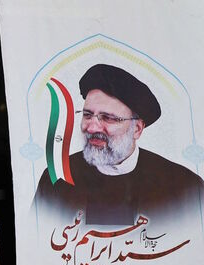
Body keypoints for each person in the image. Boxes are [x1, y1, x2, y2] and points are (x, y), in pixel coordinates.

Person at [33, 63, 204, 226]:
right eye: (87, 115)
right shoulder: (56, 179)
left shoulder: (185, 187)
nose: (92, 127)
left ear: (137, 128)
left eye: (108, 118)